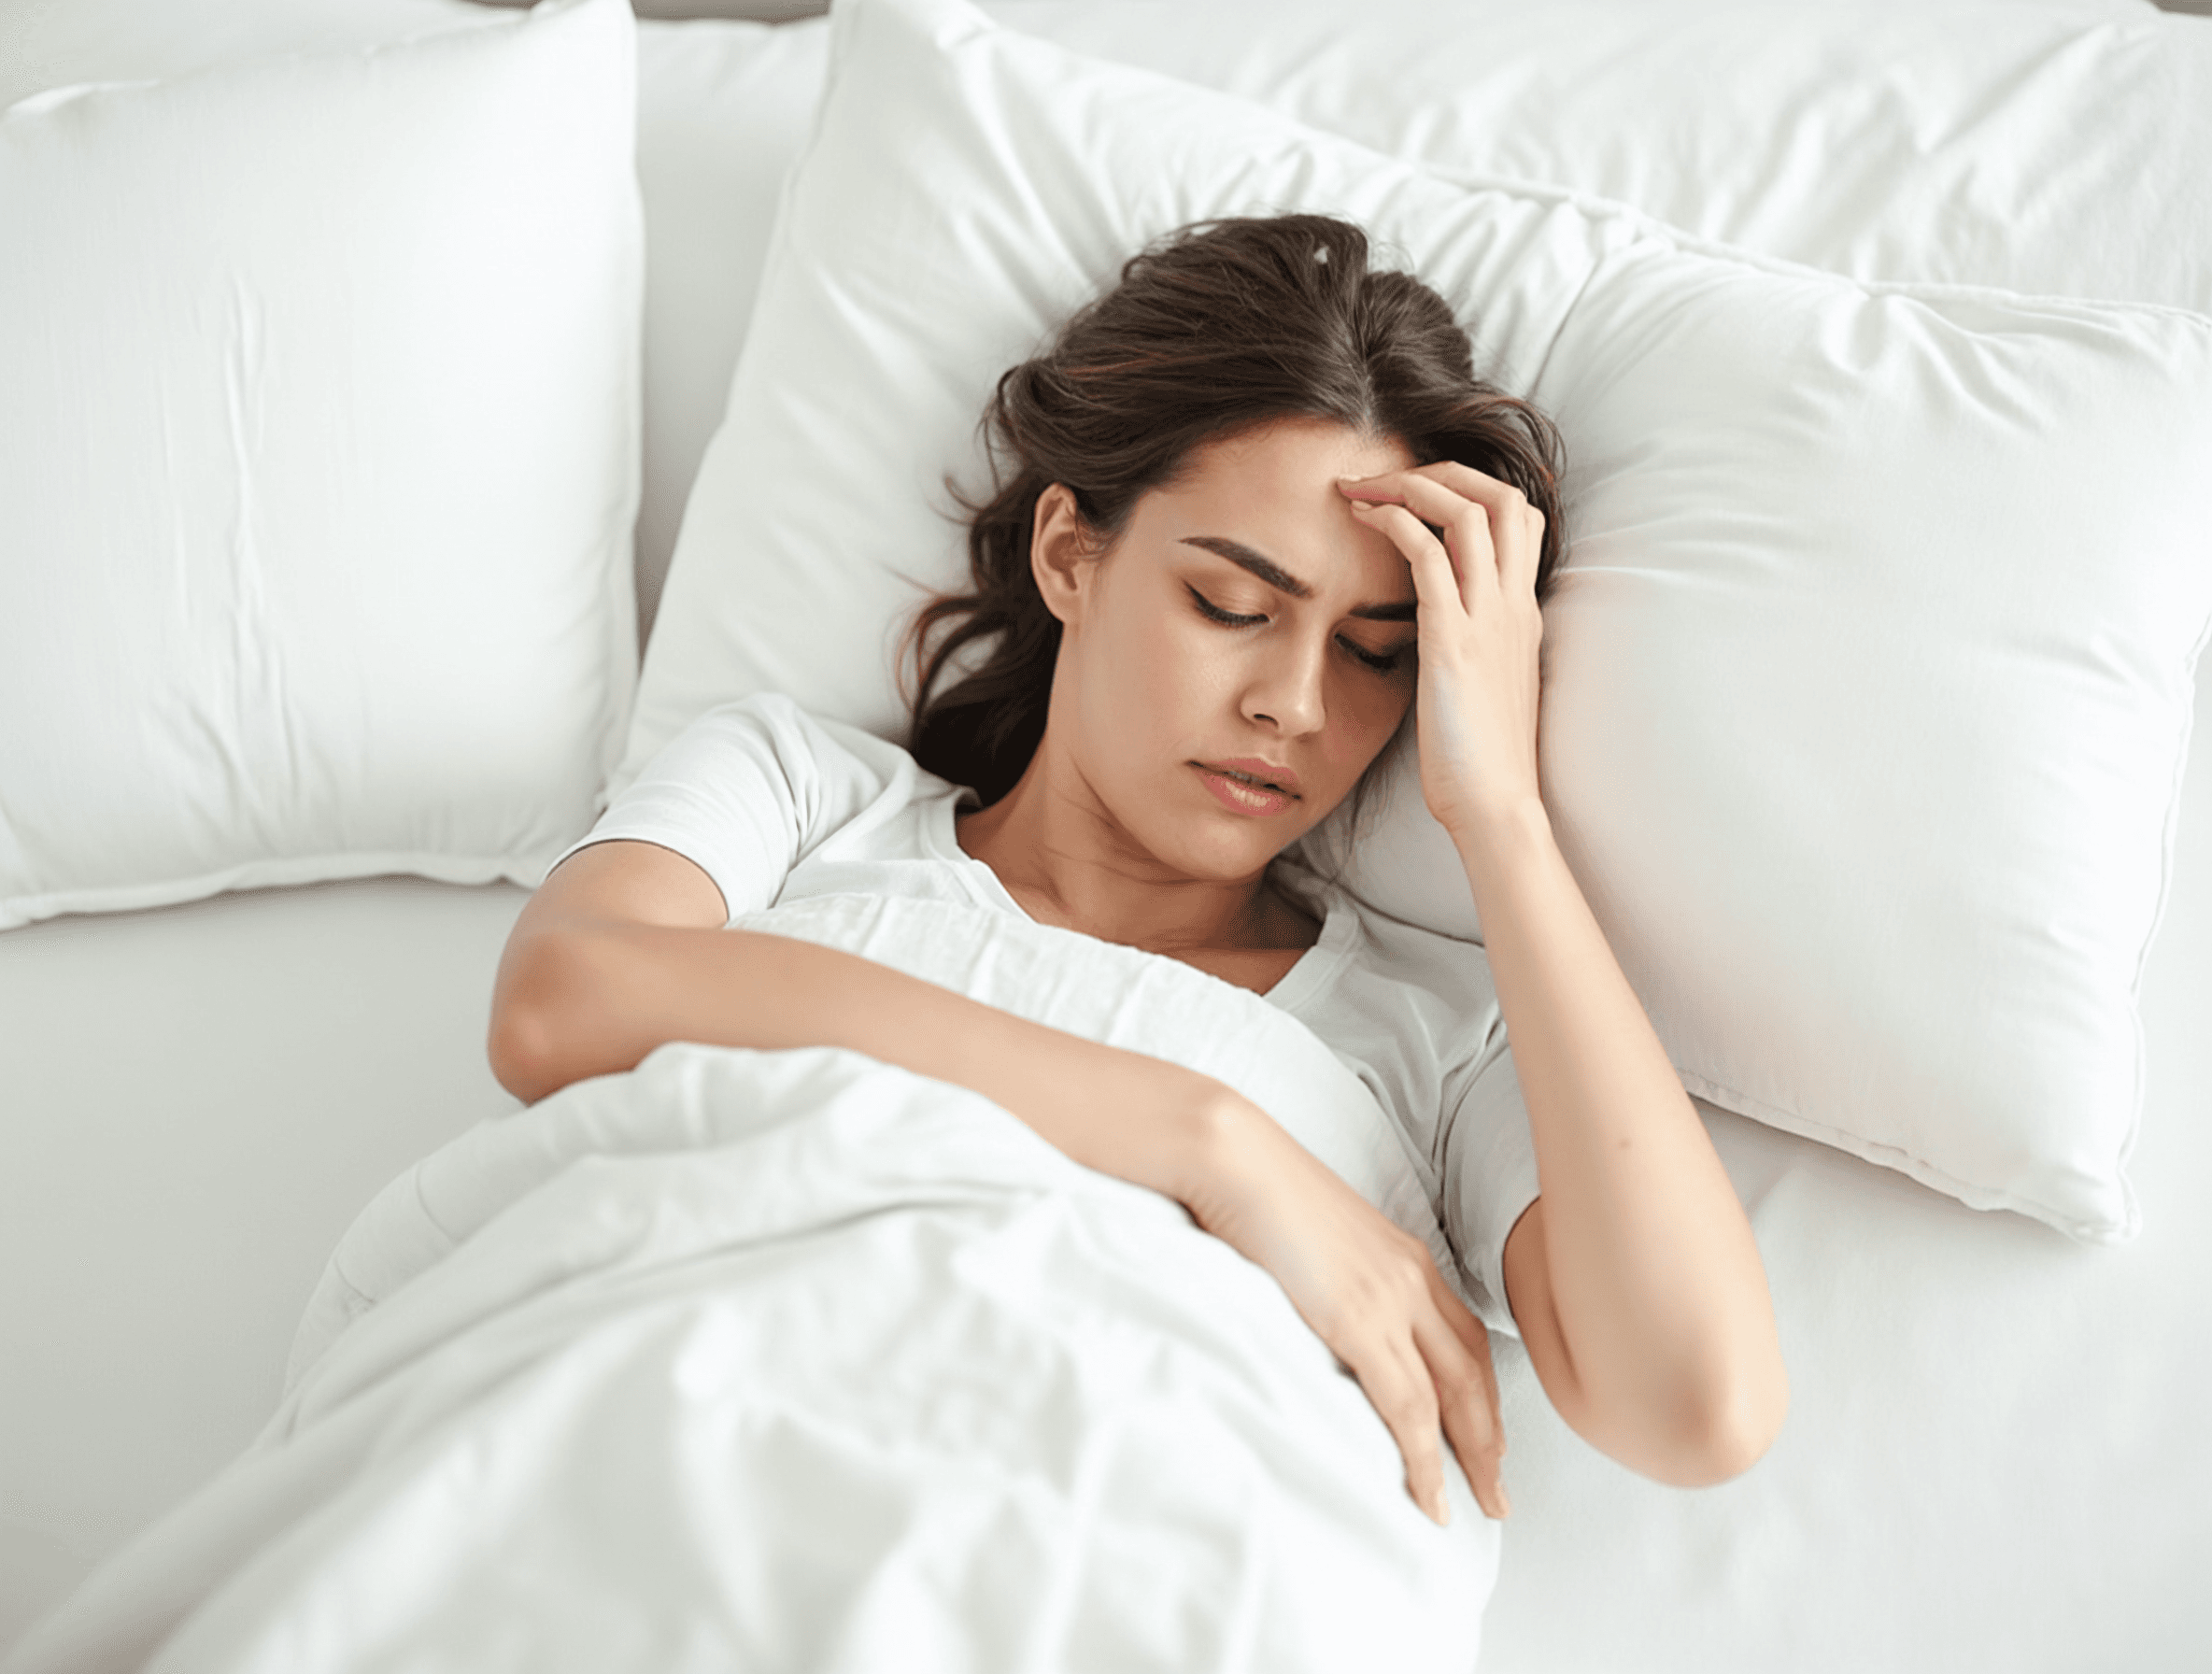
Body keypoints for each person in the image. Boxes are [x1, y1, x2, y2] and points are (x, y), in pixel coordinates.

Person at [488, 214, 1787, 1530]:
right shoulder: (798, 796)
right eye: (1234, 606)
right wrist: (1211, 1143)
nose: (1294, 704)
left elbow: (1697, 1405)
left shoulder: (1437, 1040)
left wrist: (1500, 813)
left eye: (1376, 651)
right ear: (1070, 551)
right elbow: (561, 1000)